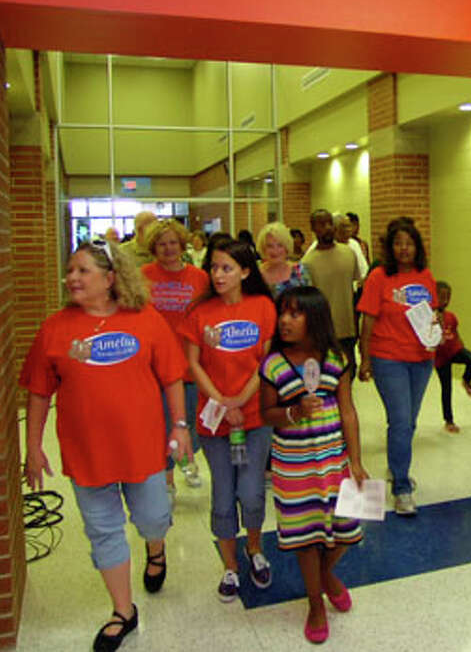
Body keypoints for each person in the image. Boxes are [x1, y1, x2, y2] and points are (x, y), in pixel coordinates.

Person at [22, 238, 192, 651]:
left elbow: (171, 375)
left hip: (142, 445)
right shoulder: (55, 327)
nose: (71, 278)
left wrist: (181, 426)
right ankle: (123, 611)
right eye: (70, 270)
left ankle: (156, 548)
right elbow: (40, 392)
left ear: (110, 278)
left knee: (153, 517)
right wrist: (33, 447)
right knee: (103, 530)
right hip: (87, 451)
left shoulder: (145, 319)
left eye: (83, 270)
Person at [260, 286, 366, 643]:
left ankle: (326, 578)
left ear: (315, 318)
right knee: (307, 538)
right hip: (293, 466)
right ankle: (315, 604)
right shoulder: (273, 363)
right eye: (282, 313)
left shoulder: (336, 359)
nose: (285, 321)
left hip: (334, 462)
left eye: (295, 314)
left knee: (348, 527)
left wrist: (357, 461)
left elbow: (348, 412)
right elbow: (267, 414)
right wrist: (293, 411)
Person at [179, 239, 276, 602]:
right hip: (214, 420)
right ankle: (230, 566)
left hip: (253, 416)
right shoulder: (200, 311)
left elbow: (266, 361)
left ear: (245, 272)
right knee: (222, 495)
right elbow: (193, 362)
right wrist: (222, 401)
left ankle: (255, 549)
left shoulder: (263, 306)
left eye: (226, 268)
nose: (218, 275)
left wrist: (241, 399)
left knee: (250, 491)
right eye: (214, 268)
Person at [357, 217, 439, 516]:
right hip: (387, 356)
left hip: (422, 358)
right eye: (398, 244)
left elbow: (430, 314)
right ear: (391, 249)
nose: (404, 249)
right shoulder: (379, 277)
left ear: (417, 247)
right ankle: (402, 488)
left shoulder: (425, 275)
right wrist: (364, 358)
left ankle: (395, 465)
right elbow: (368, 319)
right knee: (401, 421)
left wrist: (438, 327)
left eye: (409, 243)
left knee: (410, 422)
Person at [141, 218, 210, 490]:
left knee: (192, 423)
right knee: (162, 422)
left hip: (190, 363)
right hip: (154, 364)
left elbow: (207, 316)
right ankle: (168, 476)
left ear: (182, 244)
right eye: (161, 244)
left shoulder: (199, 277)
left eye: (172, 242)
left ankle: (184, 457)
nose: (168, 248)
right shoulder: (143, 275)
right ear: (153, 247)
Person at [300, 210, 364, 369]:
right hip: (321, 332)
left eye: (330, 223)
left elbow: (357, 284)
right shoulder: (307, 262)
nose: (328, 227)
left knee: (349, 373)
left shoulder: (349, 253)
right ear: (313, 228)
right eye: (321, 224)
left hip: (347, 329)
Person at [433, 280, 471, 433]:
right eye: (442, 297)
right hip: (441, 358)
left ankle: (466, 381)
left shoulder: (451, 316)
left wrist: (462, 346)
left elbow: (456, 333)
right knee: (447, 388)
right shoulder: (429, 317)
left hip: (454, 350)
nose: (445, 301)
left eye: (448, 297)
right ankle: (449, 420)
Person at [257, 221, 313, 297]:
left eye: (280, 245)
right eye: (270, 246)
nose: (275, 250)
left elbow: (309, 302)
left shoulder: (300, 271)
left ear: (287, 247)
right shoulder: (256, 275)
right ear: (263, 249)